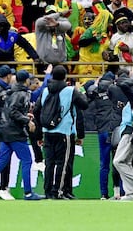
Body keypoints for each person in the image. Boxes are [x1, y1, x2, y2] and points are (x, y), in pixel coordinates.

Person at [0, 69, 43, 200]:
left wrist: (24, 115)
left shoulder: (9, 91)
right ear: (27, 80)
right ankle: (28, 193)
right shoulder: (22, 93)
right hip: (15, 132)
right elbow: (13, 111)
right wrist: (27, 120)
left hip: (4, 129)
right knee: (27, 160)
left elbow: (10, 110)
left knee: (1, 160)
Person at [34, 65, 88, 199]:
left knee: (49, 163)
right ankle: (58, 191)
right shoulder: (70, 90)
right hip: (64, 131)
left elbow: (36, 110)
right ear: (65, 77)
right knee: (63, 163)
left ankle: (48, 191)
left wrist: (40, 130)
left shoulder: (46, 90)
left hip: (47, 131)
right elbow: (84, 105)